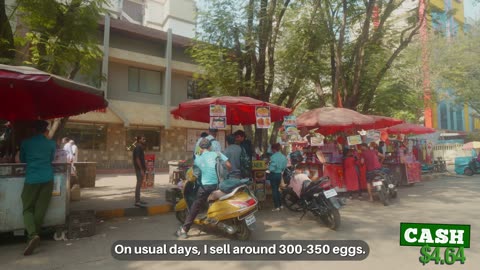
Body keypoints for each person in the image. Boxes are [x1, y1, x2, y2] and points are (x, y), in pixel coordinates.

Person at [175, 138, 231, 239]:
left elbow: (196, 174)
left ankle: (184, 230)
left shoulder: (198, 158)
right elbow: (228, 165)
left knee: (195, 205)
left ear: (200, 148)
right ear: (210, 146)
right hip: (219, 185)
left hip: (206, 186)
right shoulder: (217, 154)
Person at [20, 120, 56, 256]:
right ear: (45, 130)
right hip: (48, 178)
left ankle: (33, 235)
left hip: (32, 179)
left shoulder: (26, 143)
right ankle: (32, 237)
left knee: (27, 208)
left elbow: (23, 160)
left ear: (34, 130)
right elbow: (51, 159)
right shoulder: (51, 143)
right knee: (40, 209)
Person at [268, 143, 288, 211]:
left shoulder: (273, 157)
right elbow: (284, 167)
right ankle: (280, 205)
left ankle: (276, 207)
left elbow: (272, 168)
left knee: (274, 190)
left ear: (274, 149)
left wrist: (269, 168)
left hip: (273, 174)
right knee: (278, 190)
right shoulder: (283, 156)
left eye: (272, 149)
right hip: (279, 174)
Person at [133, 135, 147, 208]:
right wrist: (141, 169)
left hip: (141, 169)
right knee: (138, 184)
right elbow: (137, 159)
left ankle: (138, 200)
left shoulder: (140, 147)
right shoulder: (138, 147)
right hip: (139, 169)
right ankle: (137, 202)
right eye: (143, 139)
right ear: (139, 140)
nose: (144, 140)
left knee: (140, 184)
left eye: (145, 139)